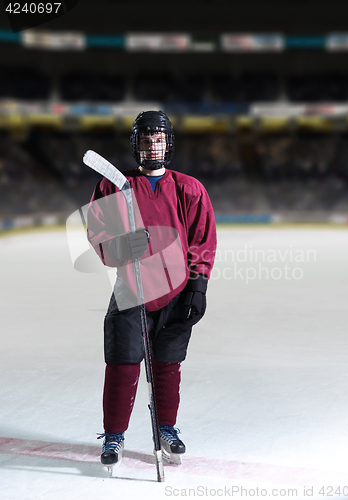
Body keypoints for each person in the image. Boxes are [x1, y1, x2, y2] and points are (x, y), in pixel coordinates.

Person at [86, 110, 217, 472]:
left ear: (168, 144)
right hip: (133, 288)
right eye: (146, 140)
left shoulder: (189, 187)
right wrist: (122, 248)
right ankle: (114, 434)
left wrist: (198, 283)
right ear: (136, 145)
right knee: (123, 363)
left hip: (176, 291)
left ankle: (166, 428)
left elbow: (202, 238)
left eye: (158, 139)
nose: (152, 146)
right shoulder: (114, 185)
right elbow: (98, 232)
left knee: (167, 365)